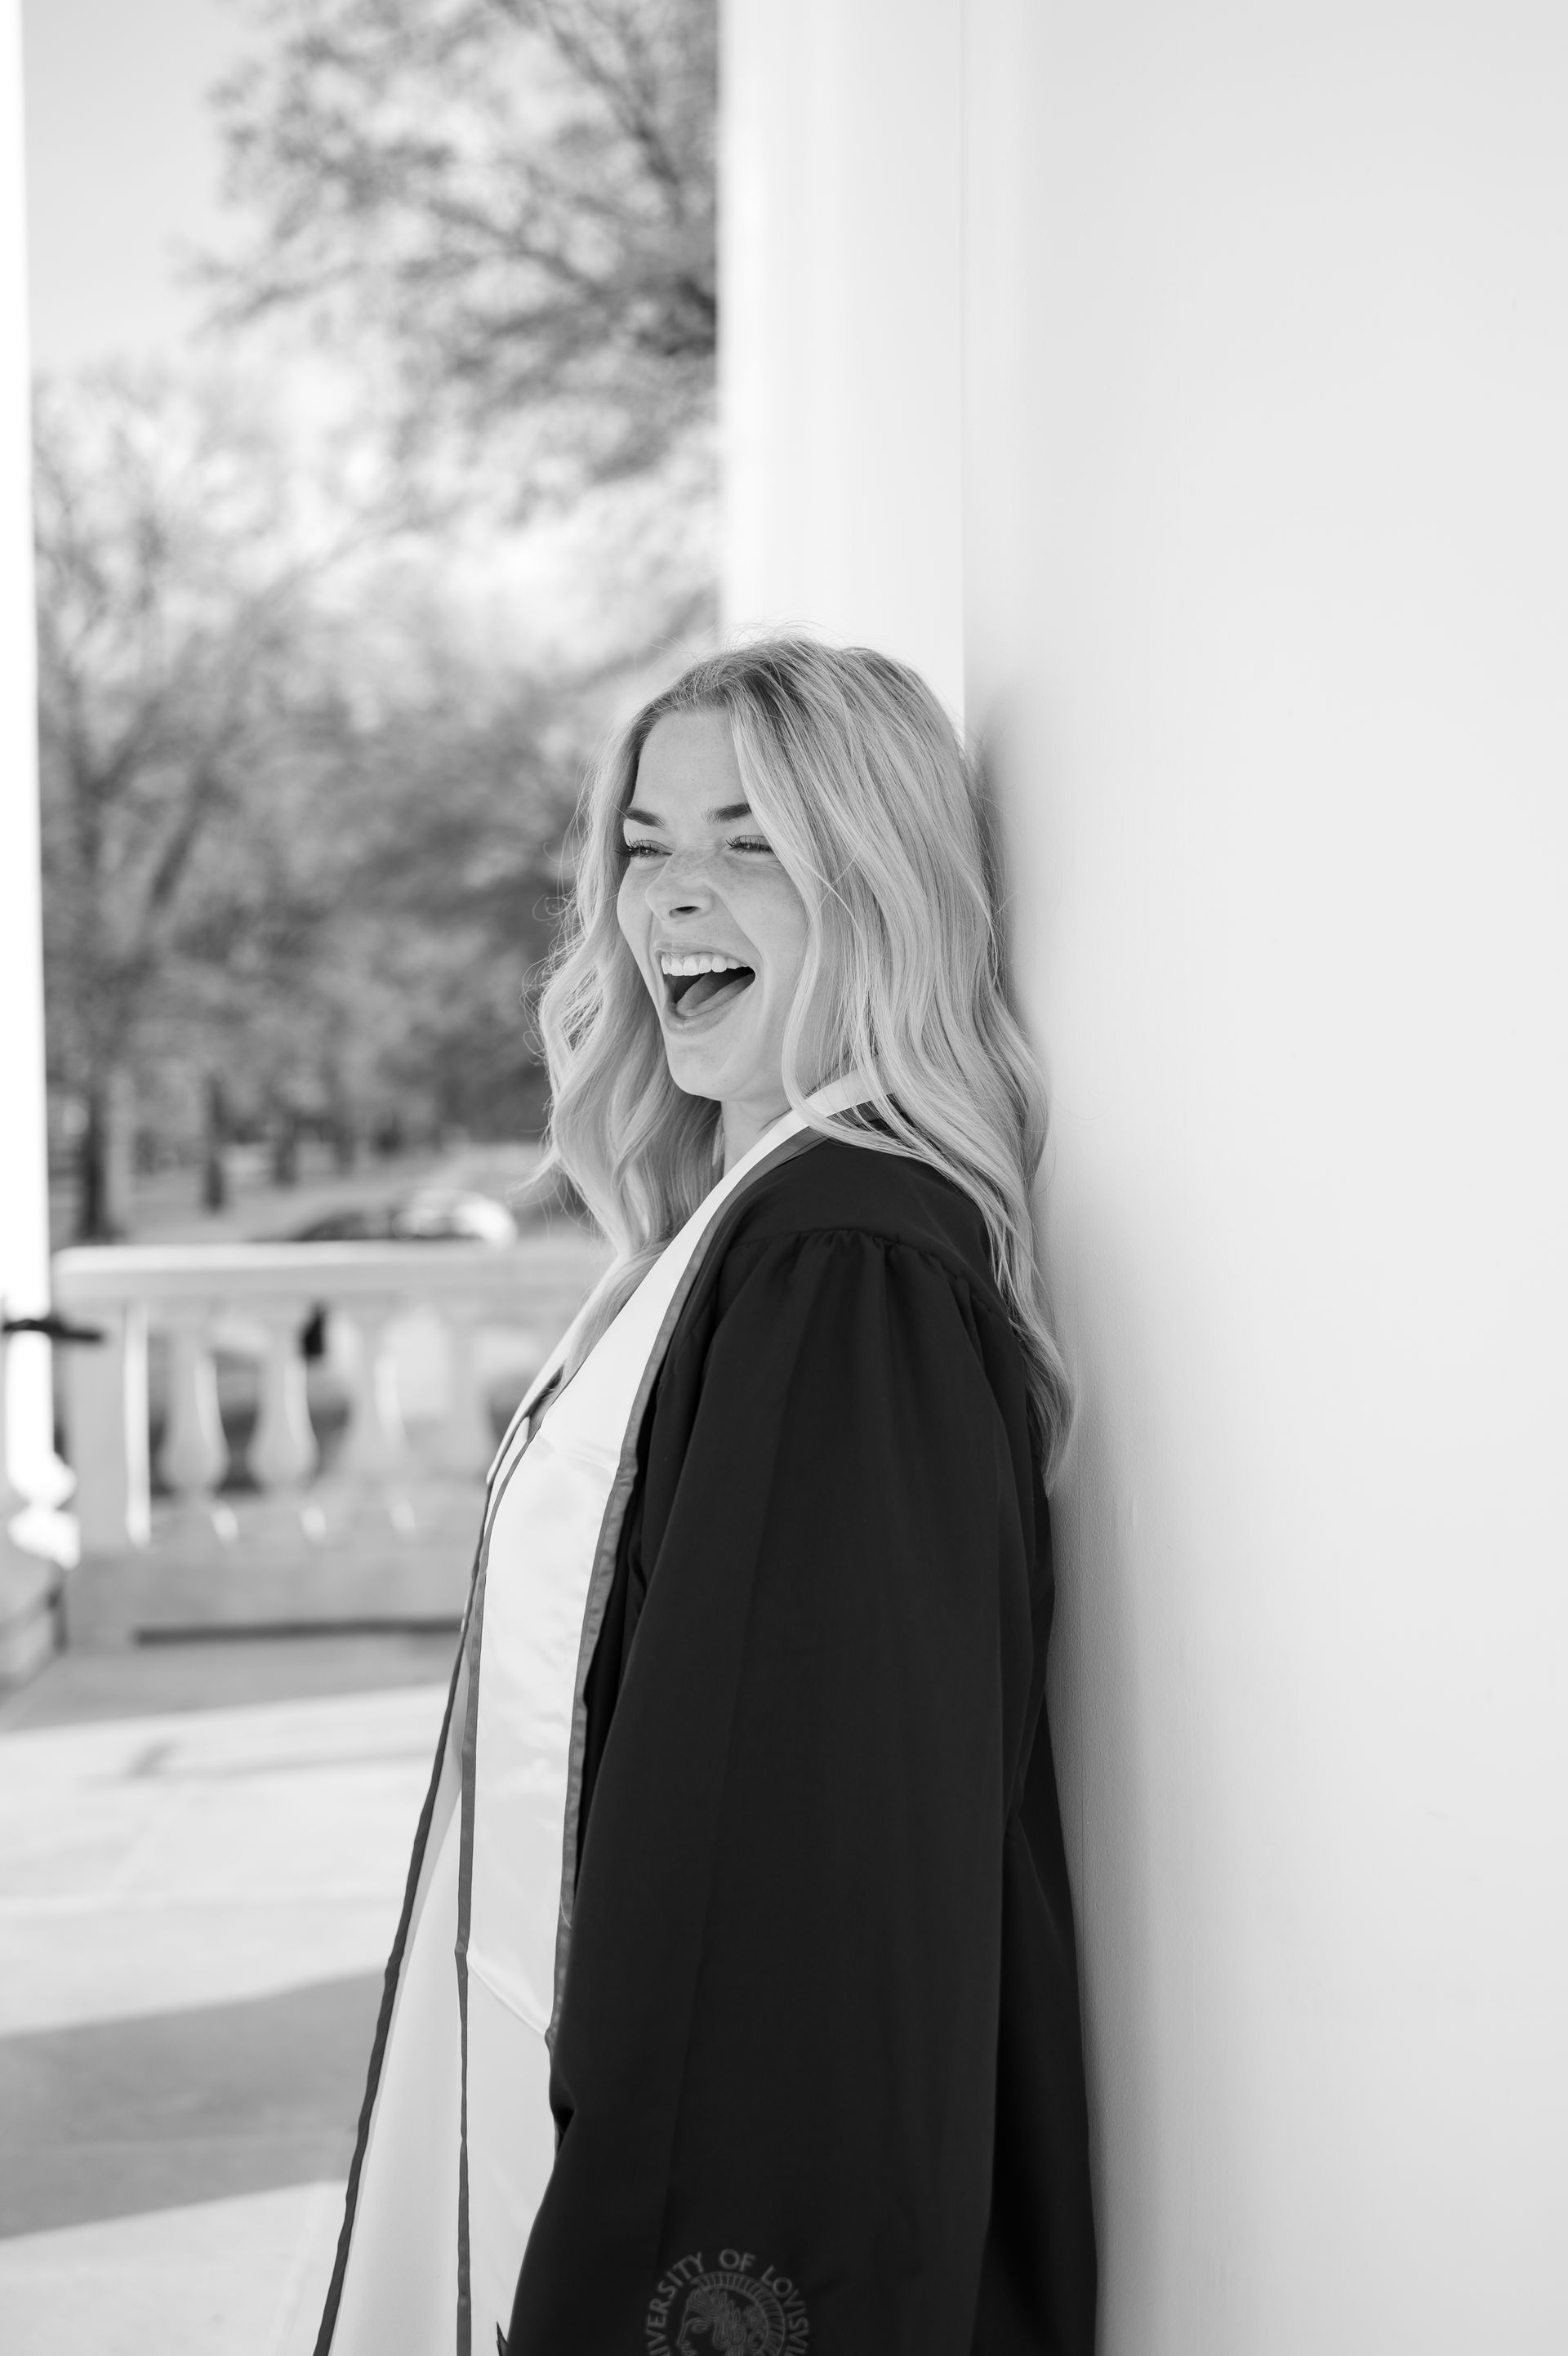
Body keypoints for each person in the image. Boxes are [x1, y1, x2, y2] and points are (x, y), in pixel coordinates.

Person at [314, 637, 1097, 2356]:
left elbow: (800, 1855)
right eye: (646, 844)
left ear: (881, 887)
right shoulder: (751, 1227)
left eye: (750, 842)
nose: (674, 896)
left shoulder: (842, 1261)